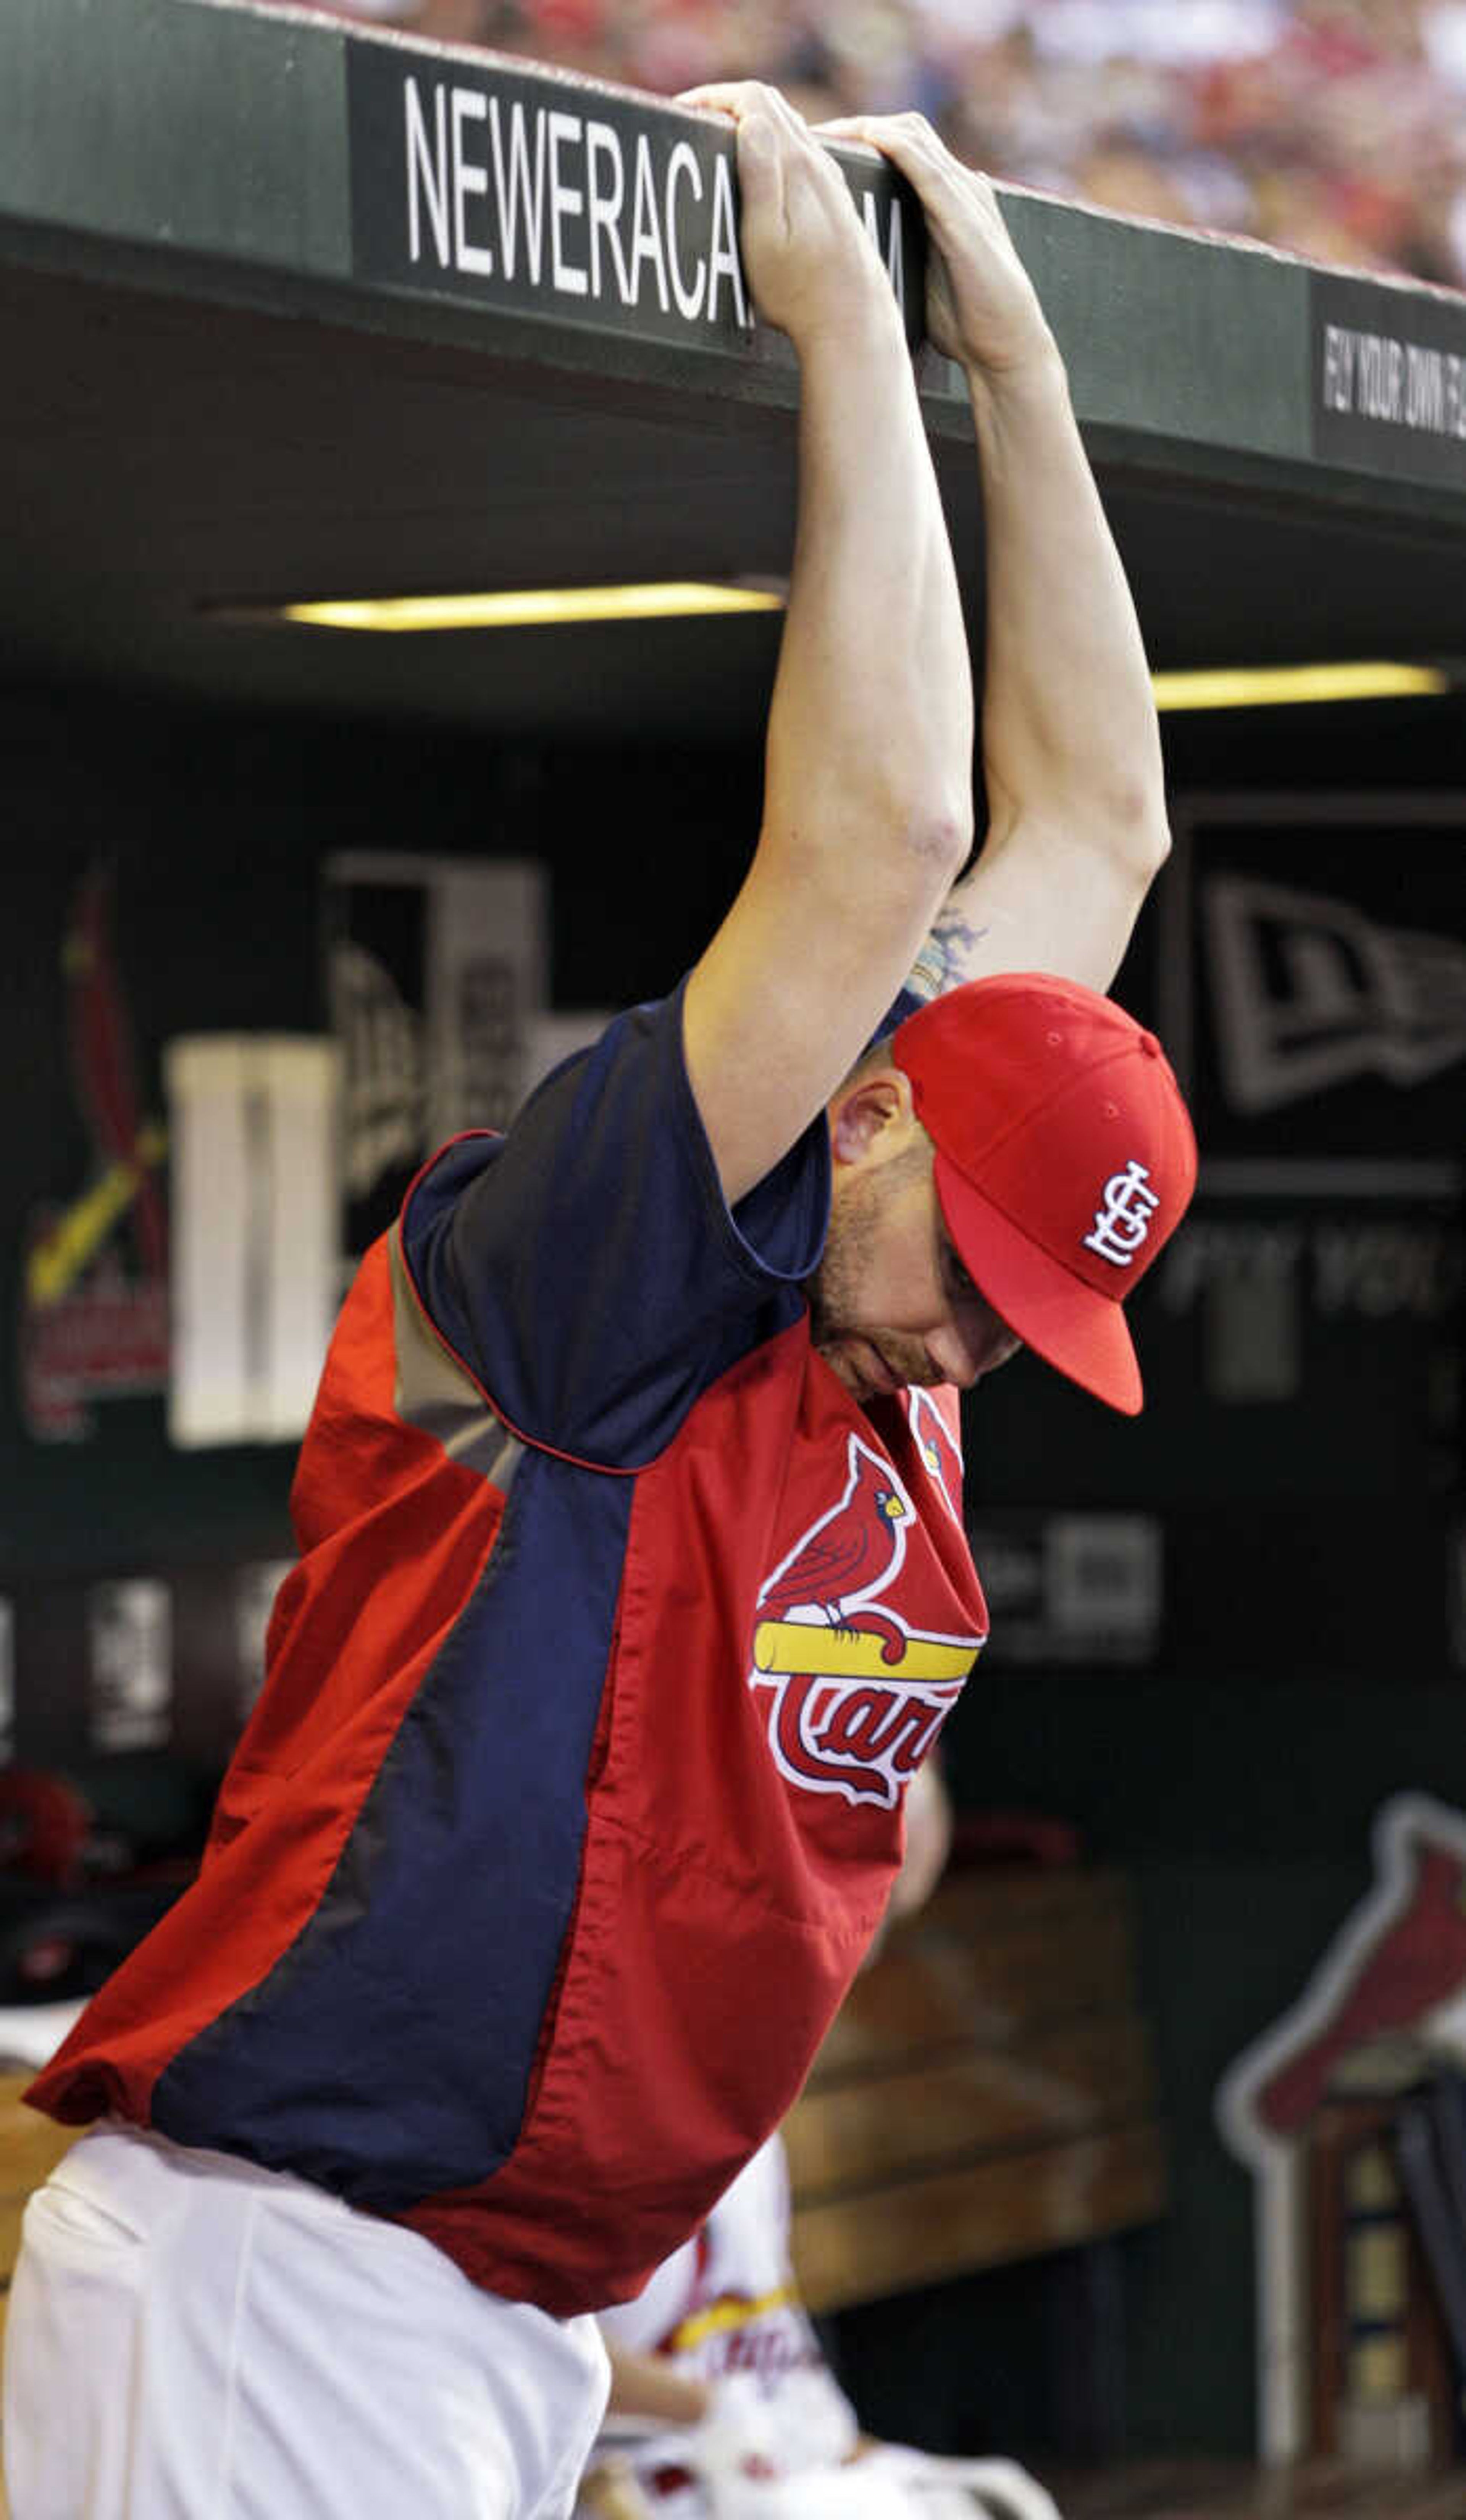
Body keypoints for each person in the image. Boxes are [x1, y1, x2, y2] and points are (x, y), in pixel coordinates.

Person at [8, 92, 1193, 2520]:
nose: (973, 1345)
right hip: (297, 2266)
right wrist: (841, 316)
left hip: (511, 2308)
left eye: (1021, 1323)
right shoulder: (619, 1271)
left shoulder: (902, 1287)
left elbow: (1104, 826)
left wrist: (1020, 355)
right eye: (964, 1279)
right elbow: (888, 833)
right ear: (865, 1113)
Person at [577, 1767, 1063, 2520]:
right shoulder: (603, 2066)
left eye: (886, 1919)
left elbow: (784, 2388)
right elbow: (510, 2348)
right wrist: (704, 2411)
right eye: (866, 1909)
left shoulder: (752, 2089)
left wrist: (910, 2473)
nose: (864, 1956)